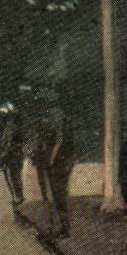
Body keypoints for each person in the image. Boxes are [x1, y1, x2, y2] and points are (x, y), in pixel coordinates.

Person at [30, 96, 77, 238]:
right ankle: (59, 226)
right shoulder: (56, 119)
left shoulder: (58, 120)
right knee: (55, 195)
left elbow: (58, 141)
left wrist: (50, 160)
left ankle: (64, 228)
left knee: (58, 194)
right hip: (58, 161)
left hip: (60, 162)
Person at [0, 103, 26, 209]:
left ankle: (18, 197)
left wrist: (3, 156)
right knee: (11, 176)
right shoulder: (8, 126)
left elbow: (9, 144)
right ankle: (16, 197)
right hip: (12, 155)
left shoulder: (12, 127)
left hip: (14, 155)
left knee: (13, 176)